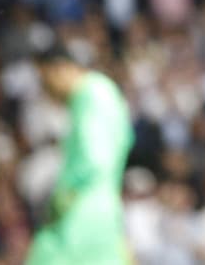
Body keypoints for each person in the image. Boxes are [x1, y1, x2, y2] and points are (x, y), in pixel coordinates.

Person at [26, 42, 134, 265]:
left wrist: (62, 197)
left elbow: (93, 157)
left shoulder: (90, 95)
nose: (45, 89)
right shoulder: (103, 92)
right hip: (105, 210)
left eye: (44, 79)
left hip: (82, 212)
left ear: (59, 69)